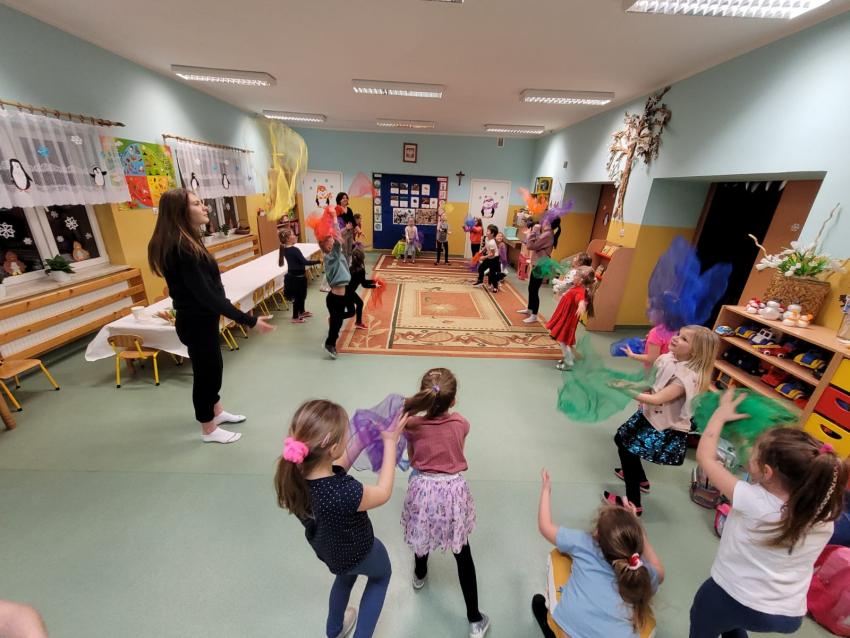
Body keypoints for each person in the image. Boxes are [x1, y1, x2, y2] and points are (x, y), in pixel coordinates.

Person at [690, 390, 849, 638]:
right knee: (732, 623)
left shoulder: (752, 500)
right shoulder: (823, 511)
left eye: (753, 453)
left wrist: (719, 416)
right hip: (787, 613)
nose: (748, 456)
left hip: (732, 597)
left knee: (704, 619)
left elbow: (705, 457)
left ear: (767, 472)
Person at [148, 189, 275, 444]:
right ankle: (208, 428)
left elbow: (208, 289)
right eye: (197, 204)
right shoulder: (181, 248)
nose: (205, 207)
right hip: (195, 323)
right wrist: (248, 320)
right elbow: (207, 295)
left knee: (214, 369)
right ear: (181, 212)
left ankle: (217, 412)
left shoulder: (189, 240)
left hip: (203, 321)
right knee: (206, 375)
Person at [275, 399, 408, 638]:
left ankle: (334, 629)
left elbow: (336, 467)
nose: (350, 436)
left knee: (344, 577)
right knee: (381, 576)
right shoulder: (344, 492)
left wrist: (361, 441)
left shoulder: (295, 476)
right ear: (333, 449)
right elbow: (383, 492)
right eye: (348, 434)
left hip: (330, 550)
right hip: (361, 550)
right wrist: (390, 442)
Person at [401, 368, 490, 638]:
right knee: (463, 552)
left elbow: (412, 456)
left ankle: (420, 574)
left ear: (423, 396)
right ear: (453, 400)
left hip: (423, 489)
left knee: (422, 533)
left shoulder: (412, 425)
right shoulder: (461, 423)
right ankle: (475, 619)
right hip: (452, 492)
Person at [532, 469, 664, 638]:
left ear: (597, 534)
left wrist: (546, 489)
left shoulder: (585, 543)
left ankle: (550, 625)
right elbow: (660, 571)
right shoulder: (640, 569)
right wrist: (636, 525)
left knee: (558, 556)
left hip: (569, 631)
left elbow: (545, 526)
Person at [605, 326, 719, 515]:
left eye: (684, 339)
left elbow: (657, 399)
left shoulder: (686, 377)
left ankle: (633, 504)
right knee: (621, 439)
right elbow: (651, 384)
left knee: (627, 449)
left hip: (664, 426)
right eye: (679, 335)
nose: (675, 338)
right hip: (651, 415)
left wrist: (625, 390)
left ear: (696, 351)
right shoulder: (667, 359)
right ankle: (640, 479)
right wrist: (628, 384)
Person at [546, 266, 596, 371]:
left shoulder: (580, 291)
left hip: (567, 320)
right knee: (562, 340)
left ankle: (569, 362)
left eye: (576, 275)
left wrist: (581, 304)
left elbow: (580, 299)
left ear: (581, 280)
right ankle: (567, 358)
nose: (573, 276)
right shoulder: (576, 287)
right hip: (564, 317)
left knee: (563, 341)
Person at [279, 228, 321, 324]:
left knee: (301, 295)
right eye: (293, 234)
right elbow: (304, 262)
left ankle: (301, 311)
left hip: (294, 276)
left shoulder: (285, 249)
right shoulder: (294, 250)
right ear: (288, 239)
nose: (295, 236)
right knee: (298, 297)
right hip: (297, 278)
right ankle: (295, 317)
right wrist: (318, 261)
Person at [321, 235, 353, 359]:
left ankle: (331, 343)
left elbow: (339, 244)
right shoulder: (331, 257)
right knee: (336, 324)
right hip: (335, 299)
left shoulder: (337, 256)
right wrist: (334, 225)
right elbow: (338, 243)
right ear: (327, 246)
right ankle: (329, 344)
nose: (333, 241)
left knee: (338, 323)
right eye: (331, 240)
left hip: (339, 297)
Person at [518, 222, 554, 324]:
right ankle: (529, 309)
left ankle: (534, 315)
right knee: (531, 288)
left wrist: (533, 232)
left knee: (534, 290)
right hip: (538, 263)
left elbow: (530, 246)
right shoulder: (546, 234)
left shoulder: (547, 234)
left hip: (540, 265)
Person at [347, 247, 379, 330]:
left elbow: (362, 281)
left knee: (352, 311)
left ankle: (357, 322)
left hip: (345, 290)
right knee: (357, 306)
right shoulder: (361, 270)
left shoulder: (351, 267)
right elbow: (364, 284)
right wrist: (375, 285)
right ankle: (358, 322)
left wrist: (374, 281)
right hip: (349, 292)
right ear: (362, 258)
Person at [473, 225, 501, 292]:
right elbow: (486, 246)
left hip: (494, 259)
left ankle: (495, 287)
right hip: (490, 257)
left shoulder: (492, 243)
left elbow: (492, 254)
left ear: (492, 234)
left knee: (492, 274)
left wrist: (484, 257)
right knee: (481, 268)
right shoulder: (486, 238)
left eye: (488, 231)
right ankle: (480, 281)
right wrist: (481, 251)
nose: (486, 232)